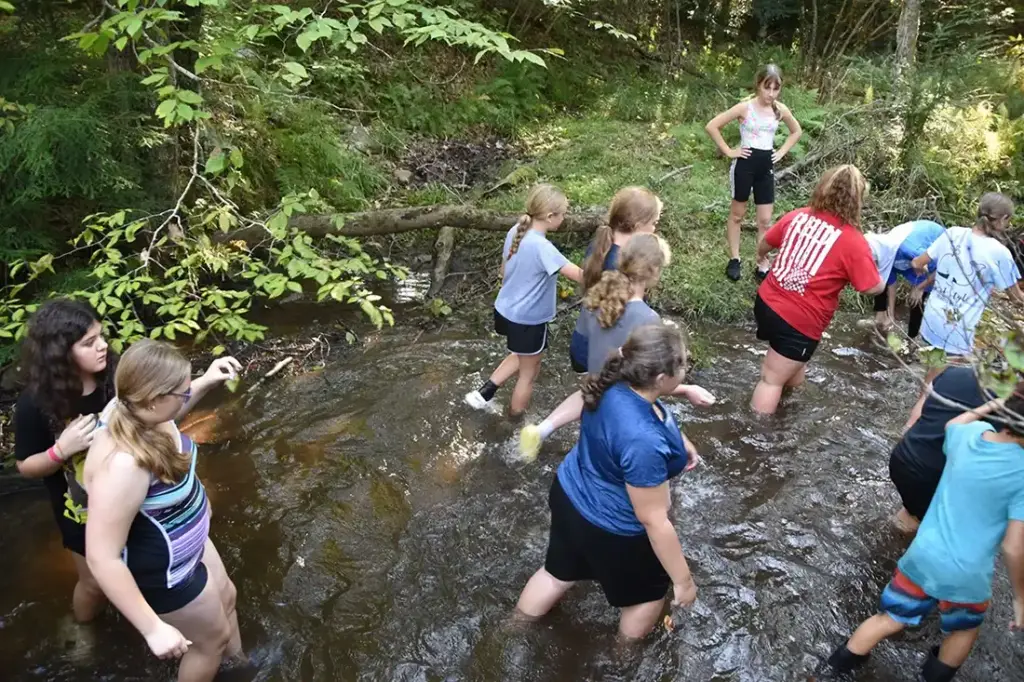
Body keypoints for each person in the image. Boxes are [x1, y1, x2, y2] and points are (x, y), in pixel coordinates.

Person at [819, 391, 1024, 682]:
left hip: (923, 555)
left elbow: (955, 422)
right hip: (966, 574)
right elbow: (1014, 547)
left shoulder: (970, 435)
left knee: (888, 619)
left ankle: (830, 672)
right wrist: (1021, 597)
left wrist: (995, 401)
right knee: (963, 628)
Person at [514, 324, 701, 639]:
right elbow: (654, 521)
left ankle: (512, 630)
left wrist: (679, 440)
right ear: (659, 378)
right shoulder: (643, 440)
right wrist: (683, 582)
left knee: (555, 574)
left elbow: (596, 405)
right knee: (647, 599)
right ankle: (622, 662)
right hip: (612, 528)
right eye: (682, 364)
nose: (686, 367)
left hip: (569, 497)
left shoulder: (612, 380)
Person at [83, 340, 243, 682]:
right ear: (154, 398)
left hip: (188, 543)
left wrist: (207, 380)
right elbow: (101, 557)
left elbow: (168, 416)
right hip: (166, 570)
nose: (186, 397)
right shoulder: (124, 465)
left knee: (228, 596)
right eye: (182, 393)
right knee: (210, 641)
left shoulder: (133, 406)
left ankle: (242, 668)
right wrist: (152, 628)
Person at [519, 234, 714, 461]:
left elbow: (584, 340)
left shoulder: (597, 299)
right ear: (654, 272)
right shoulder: (648, 318)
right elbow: (649, 384)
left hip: (595, 386)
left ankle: (540, 430)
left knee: (589, 403)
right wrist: (687, 390)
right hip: (619, 404)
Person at [751, 165, 885, 414]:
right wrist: (883, 280)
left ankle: (788, 412)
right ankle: (756, 440)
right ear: (858, 200)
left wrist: (762, 260)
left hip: (767, 302)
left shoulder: (798, 216)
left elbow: (766, 243)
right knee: (771, 379)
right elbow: (870, 288)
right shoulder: (853, 241)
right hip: (799, 321)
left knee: (792, 368)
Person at [13, 300, 116, 622]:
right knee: (95, 583)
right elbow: (26, 467)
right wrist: (61, 449)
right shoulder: (35, 404)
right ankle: (82, 630)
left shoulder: (113, 374)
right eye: (89, 343)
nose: (103, 347)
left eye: (101, 336)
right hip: (79, 510)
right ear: (60, 353)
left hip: (129, 492)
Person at [465, 184, 583, 416]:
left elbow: (503, 269)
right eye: (563, 213)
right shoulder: (543, 248)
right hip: (528, 321)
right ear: (550, 217)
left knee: (523, 355)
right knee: (529, 373)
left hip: (505, 310)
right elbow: (581, 276)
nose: (565, 217)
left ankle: (483, 393)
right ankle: (513, 422)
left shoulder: (517, 229)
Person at [910, 192, 1024, 388]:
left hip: (932, 317)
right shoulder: (999, 253)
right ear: (1003, 219)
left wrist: (922, 284)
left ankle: (924, 408)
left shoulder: (953, 233)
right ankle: (918, 417)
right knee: (935, 385)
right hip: (956, 327)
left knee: (934, 370)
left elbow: (917, 263)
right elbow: (1017, 299)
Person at [705, 64, 803, 282]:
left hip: (765, 167)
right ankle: (735, 258)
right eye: (767, 87)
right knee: (738, 214)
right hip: (745, 165)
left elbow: (796, 131)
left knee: (765, 220)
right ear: (758, 85)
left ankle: (762, 261)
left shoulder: (780, 110)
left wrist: (782, 151)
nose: (770, 93)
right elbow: (712, 126)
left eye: (775, 89)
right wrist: (730, 151)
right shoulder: (744, 108)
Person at [888, 366, 990, 534]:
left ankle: (888, 538)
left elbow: (914, 418)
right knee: (921, 524)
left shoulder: (956, 372)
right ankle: (890, 552)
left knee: (911, 513)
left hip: (904, 455)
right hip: (933, 473)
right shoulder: (1012, 406)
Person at [571, 186, 664, 371]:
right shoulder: (624, 263)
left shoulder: (601, 243)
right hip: (600, 352)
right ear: (638, 225)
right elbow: (624, 320)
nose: (655, 229)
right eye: (654, 223)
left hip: (584, 338)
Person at [864, 219, 945, 337]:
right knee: (881, 280)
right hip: (912, 255)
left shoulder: (910, 252)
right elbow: (890, 282)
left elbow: (943, 267)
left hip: (931, 251)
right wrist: (890, 314)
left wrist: (920, 287)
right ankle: (882, 318)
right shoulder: (885, 256)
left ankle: (912, 338)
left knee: (916, 300)